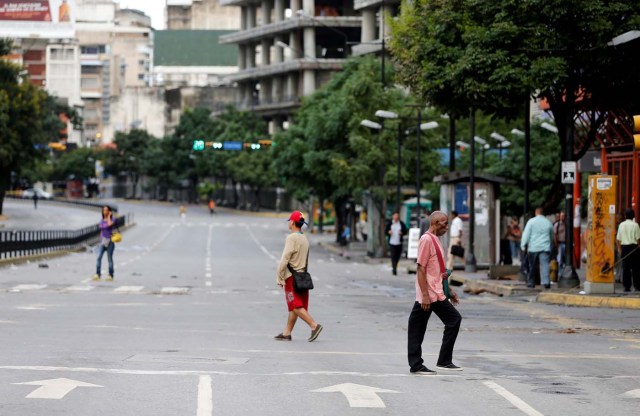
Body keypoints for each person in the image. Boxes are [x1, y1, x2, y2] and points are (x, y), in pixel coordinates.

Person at [408, 211, 462, 375]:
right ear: (434, 223)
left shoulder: (436, 240)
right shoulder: (426, 240)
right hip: (429, 294)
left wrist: (449, 290)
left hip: (436, 292)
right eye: (444, 223)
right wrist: (424, 295)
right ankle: (417, 364)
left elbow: (436, 270)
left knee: (451, 321)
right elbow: (421, 268)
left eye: (447, 223)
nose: (447, 226)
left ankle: (444, 361)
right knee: (418, 327)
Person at [274, 211, 323, 342]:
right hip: (303, 277)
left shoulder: (292, 238)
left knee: (295, 305)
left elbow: (285, 258)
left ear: (293, 222)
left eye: (290, 220)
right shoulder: (304, 238)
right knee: (295, 306)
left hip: (292, 277)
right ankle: (287, 332)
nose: (289, 223)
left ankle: (314, 326)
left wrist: (279, 276)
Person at [520, 207, 554, 289]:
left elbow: (526, 234)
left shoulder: (531, 222)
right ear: (543, 213)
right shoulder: (548, 222)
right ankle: (546, 282)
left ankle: (531, 282)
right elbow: (551, 235)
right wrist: (551, 244)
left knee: (532, 266)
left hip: (533, 248)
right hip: (545, 247)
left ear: (536, 213)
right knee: (545, 265)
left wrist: (523, 244)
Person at [616, 208, 640, 292]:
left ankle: (627, 287)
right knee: (635, 268)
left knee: (626, 268)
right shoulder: (635, 225)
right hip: (634, 248)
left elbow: (618, 239)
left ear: (625, 216)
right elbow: (638, 239)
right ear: (633, 216)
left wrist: (619, 249)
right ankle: (637, 286)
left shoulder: (621, 225)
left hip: (624, 248)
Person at [93, 205, 115, 281]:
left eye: (106, 210)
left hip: (110, 242)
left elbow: (109, 225)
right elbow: (101, 229)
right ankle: (97, 274)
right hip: (102, 242)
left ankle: (110, 275)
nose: (105, 212)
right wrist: (100, 241)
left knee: (109, 259)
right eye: (103, 210)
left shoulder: (112, 219)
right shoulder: (101, 219)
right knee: (98, 257)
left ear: (109, 211)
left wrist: (109, 216)